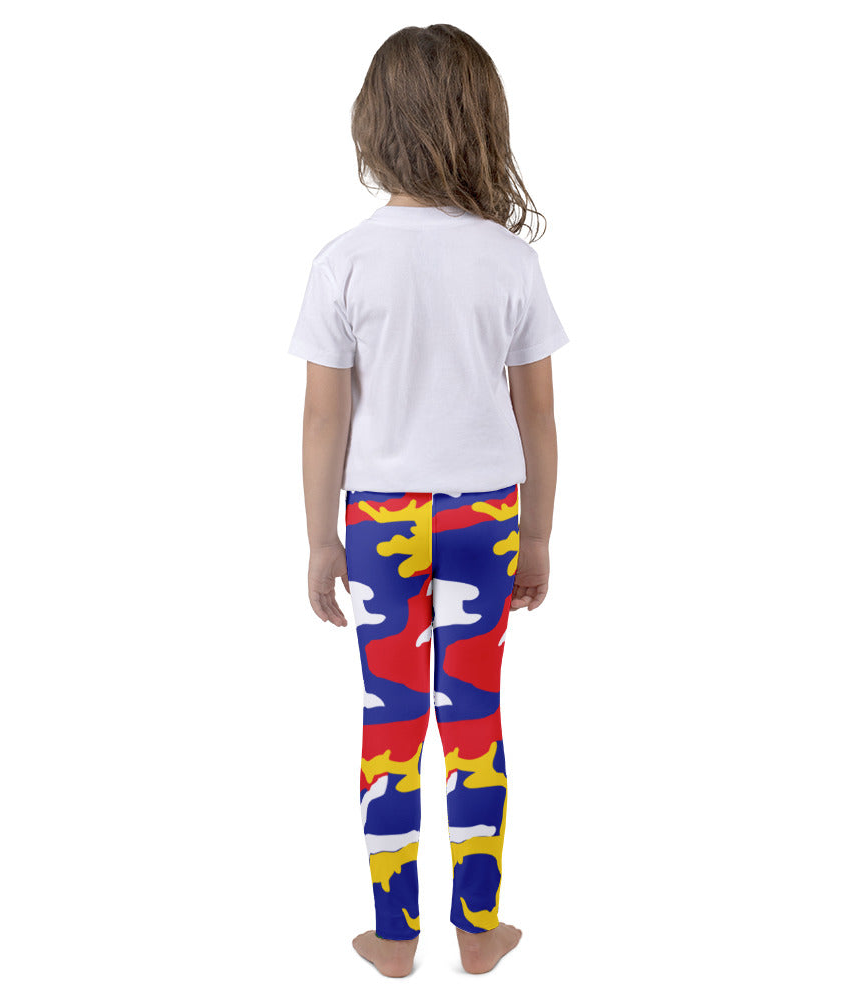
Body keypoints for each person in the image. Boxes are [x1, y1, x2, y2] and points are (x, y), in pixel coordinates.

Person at [288, 24, 569, 978]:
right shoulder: (508, 260)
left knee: (392, 721)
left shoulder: (344, 261)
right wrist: (538, 536)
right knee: (475, 718)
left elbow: (324, 417)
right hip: (485, 518)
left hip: (380, 523)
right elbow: (538, 414)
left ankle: (395, 934)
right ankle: (479, 930)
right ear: (481, 123)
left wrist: (320, 540)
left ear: (373, 125)